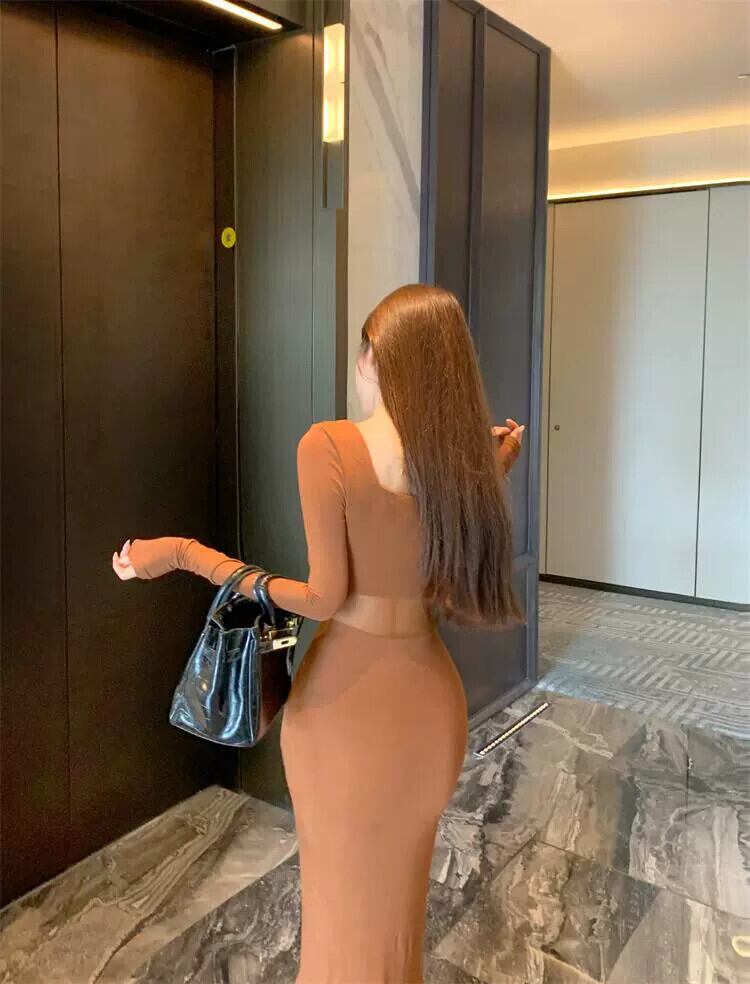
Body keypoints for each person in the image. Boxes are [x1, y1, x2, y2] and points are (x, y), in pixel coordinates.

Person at [112, 284, 524, 983]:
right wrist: (495, 465)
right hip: (430, 710)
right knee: (398, 920)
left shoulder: (329, 445)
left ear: (373, 359)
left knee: (337, 916)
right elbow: (434, 556)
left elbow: (324, 598)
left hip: (344, 712)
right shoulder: (460, 465)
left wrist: (181, 553)